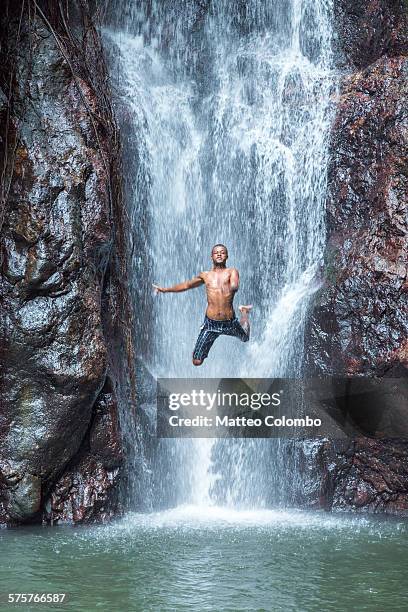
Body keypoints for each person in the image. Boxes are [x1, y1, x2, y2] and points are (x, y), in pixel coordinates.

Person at [153, 244, 252, 365]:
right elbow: (187, 285)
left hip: (229, 322)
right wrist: (165, 290)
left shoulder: (232, 271)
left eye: (222, 252)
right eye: (216, 252)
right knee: (197, 361)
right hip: (211, 324)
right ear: (211, 256)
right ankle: (198, 348)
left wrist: (233, 286)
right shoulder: (205, 275)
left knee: (245, 338)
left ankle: (244, 312)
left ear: (227, 256)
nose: (219, 254)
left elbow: (235, 284)